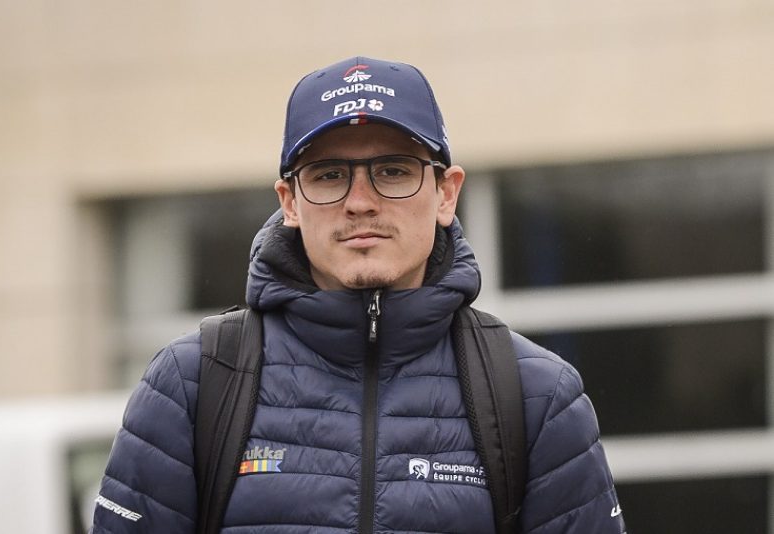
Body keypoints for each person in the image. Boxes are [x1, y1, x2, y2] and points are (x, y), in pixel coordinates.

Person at [91, 56, 626, 533]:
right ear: (290, 202)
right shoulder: (193, 383)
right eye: (329, 175)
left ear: (446, 194)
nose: (361, 202)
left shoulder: (536, 395)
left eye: (392, 171)